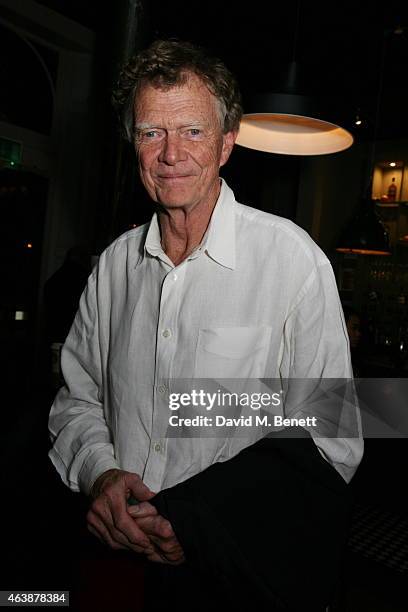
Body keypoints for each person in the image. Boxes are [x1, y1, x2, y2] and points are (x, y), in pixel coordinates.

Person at [49, 40, 363, 611]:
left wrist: (194, 519)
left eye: (192, 131)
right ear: (133, 144)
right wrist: (101, 475)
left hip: (232, 577)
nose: (171, 154)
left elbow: (333, 437)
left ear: (226, 142)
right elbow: (79, 398)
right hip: (115, 564)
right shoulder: (113, 267)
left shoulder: (291, 260)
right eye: (151, 132)